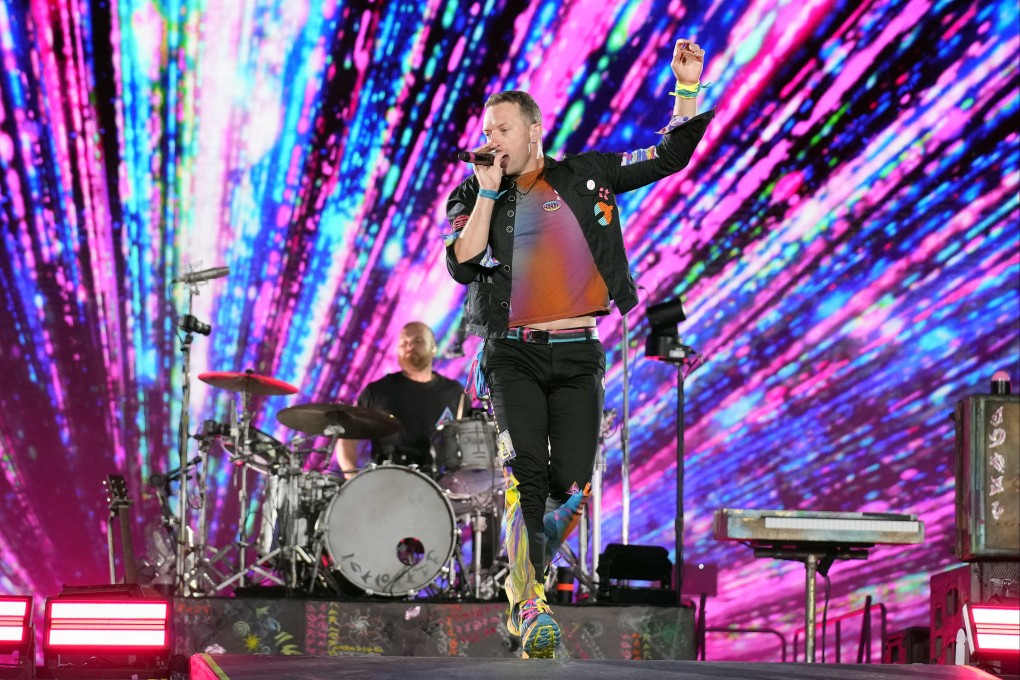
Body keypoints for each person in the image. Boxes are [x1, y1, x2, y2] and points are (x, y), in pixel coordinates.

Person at [443, 38, 713, 658]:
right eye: (487, 130)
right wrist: (485, 191)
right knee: (525, 479)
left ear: (534, 129)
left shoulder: (588, 172)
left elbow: (668, 156)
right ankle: (530, 602)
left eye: (503, 128)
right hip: (510, 353)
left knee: (572, 488)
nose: (493, 138)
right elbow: (462, 264)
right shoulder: (474, 194)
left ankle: (522, 584)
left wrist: (687, 89)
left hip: (578, 352)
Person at [337, 321, 465, 477]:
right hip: (389, 487)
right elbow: (347, 439)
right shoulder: (376, 392)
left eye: (418, 341)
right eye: (404, 343)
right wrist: (353, 479)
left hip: (442, 488)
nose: (410, 346)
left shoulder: (454, 392)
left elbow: (469, 440)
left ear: (434, 348)